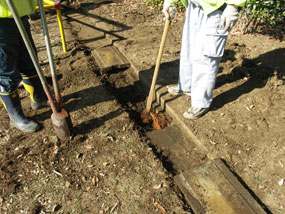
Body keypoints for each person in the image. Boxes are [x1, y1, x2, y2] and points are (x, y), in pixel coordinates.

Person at [163, 0, 246, 119]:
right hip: (194, 5)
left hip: (216, 9)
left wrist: (234, 5)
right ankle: (187, 86)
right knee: (188, 48)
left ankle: (201, 102)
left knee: (206, 57)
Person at [0, 0, 49, 132]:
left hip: (20, 14)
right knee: (6, 70)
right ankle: (15, 117)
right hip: (2, 19)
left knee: (29, 60)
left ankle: (38, 99)